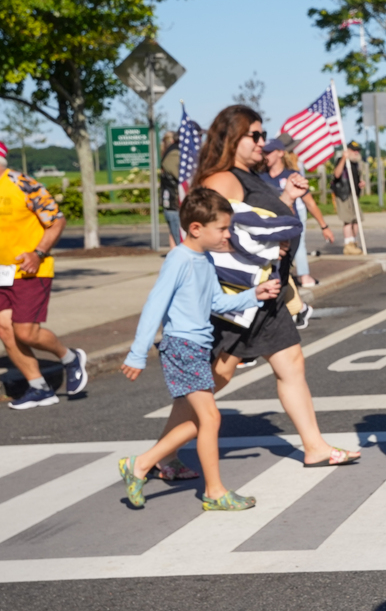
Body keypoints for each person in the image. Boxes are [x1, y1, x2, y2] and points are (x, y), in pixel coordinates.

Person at [191, 105, 360, 468]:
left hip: (268, 296)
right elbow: (214, 235)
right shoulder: (223, 180)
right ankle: (157, 455)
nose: (262, 143)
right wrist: (267, 246)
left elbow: (257, 222)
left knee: (291, 364)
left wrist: (287, 198)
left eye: (262, 135)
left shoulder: (247, 176)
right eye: (255, 135)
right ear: (233, 138)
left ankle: (314, 446)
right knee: (215, 379)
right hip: (239, 299)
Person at [117, 188, 282, 511]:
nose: (227, 234)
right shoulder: (179, 259)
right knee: (210, 417)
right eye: (222, 228)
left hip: (196, 346)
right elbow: (155, 305)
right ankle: (214, 491)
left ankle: (143, 464)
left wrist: (254, 294)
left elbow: (216, 302)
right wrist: (137, 353)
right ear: (196, 228)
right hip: (181, 346)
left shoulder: (204, 260)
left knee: (198, 419)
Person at [0, 136, 88, 408]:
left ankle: (70, 358)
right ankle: (39, 387)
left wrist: (39, 252)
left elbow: (57, 220)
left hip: (31, 270)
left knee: (25, 332)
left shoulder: (22, 184)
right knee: (4, 330)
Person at [261, 133, 334, 288]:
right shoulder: (260, 177)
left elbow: (310, 203)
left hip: (290, 222)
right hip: (269, 225)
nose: (265, 156)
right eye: (263, 152)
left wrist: (324, 226)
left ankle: (304, 276)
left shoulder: (291, 175)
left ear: (280, 153)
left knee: (298, 246)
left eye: (269, 152)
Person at [330, 142, 366, 255]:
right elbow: (337, 174)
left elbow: (355, 179)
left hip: (353, 194)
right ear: (348, 151)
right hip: (343, 194)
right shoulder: (341, 161)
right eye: (354, 150)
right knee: (348, 220)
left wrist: (360, 183)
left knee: (356, 220)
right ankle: (348, 244)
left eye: (357, 150)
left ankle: (353, 242)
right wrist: (343, 159)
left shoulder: (355, 164)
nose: (356, 153)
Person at [159, 130, 184, 248]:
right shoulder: (174, 155)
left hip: (171, 202)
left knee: (175, 238)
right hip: (174, 203)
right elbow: (183, 178)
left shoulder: (168, 153)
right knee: (181, 242)